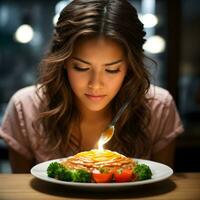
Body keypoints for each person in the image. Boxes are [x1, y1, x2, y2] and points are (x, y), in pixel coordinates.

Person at [0, 0, 184, 173]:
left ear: (129, 65)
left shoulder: (159, 107)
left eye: (112, 69)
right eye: (81, 67)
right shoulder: (25, 107)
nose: (95, 84)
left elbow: (161, 188)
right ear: (63, 61)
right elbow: (22, 189)